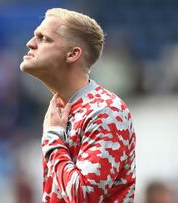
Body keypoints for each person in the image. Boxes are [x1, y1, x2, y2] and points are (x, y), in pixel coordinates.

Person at [20, 8, 136, 202]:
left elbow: (84, 197)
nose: (30, 44)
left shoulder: (106, 111)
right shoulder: (58, 110)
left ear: (73, 54)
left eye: (44, 38)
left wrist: (52, 138)